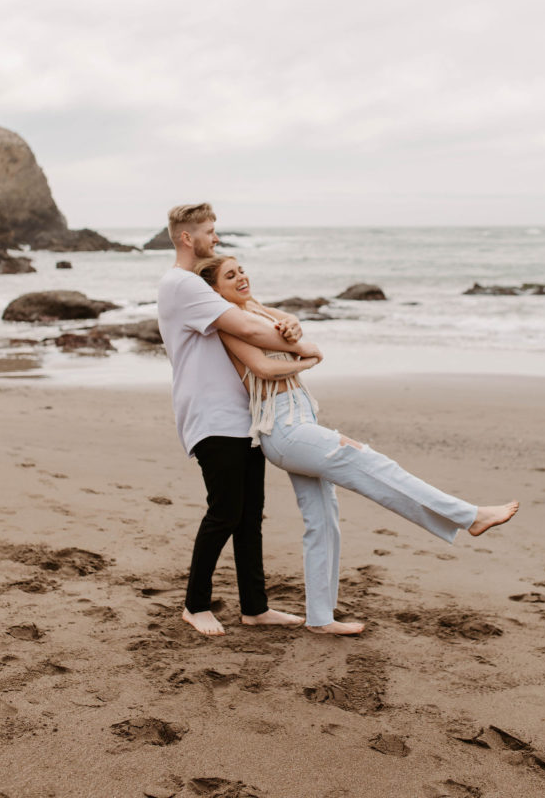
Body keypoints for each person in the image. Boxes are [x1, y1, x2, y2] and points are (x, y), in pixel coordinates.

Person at [195, 254, 520, 636]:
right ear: (215, 289)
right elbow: (265, 369)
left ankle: (320, 617)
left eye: (242, 270)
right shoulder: (229, 325)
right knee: (371, 461)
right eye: (230, 276)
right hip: (280, 427)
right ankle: (469, 516)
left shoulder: (260, 310)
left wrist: (296, 331)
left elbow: (295, 331)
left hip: (302, 416)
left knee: (323, 519)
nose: (241, 277)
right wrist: (307, 361)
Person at [157, 203, 324, 637]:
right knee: (225, 511)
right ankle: (195, 605)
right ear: (185, 238)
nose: (216, 237)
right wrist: (302, 346)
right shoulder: (183, 285)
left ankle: (255, 607)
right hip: (211, 417)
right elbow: (249, 332)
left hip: (242, 417)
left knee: (250, 515)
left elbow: (251, 313)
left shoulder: (200, 288)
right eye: (209, 232)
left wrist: (286, 323)